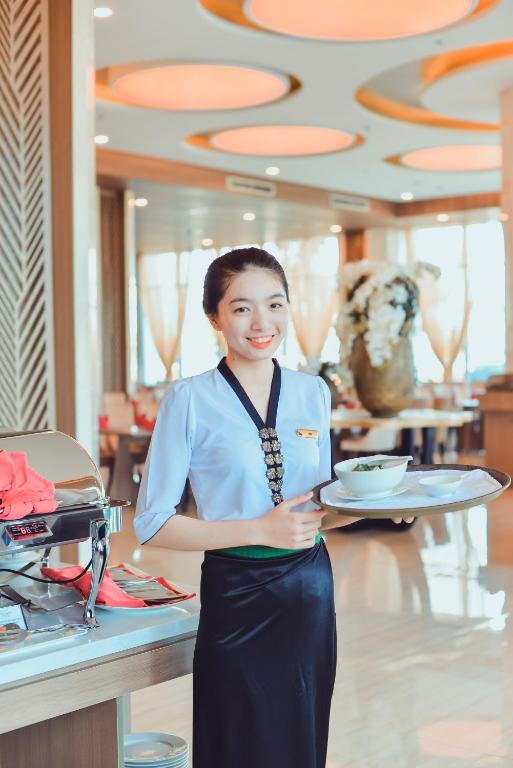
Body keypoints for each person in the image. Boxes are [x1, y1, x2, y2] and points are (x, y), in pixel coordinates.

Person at [134, 247, 411, 768]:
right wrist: (258, 529)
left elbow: (320, 508)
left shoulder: (313, 392)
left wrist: (380, 504)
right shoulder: (189, 399)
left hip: (309, 591)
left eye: (275, 304)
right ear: (214, 317)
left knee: (300, 739)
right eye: (242, 308)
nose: (262, 323)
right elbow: (152, 523)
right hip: (237, 593)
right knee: (237, 740)